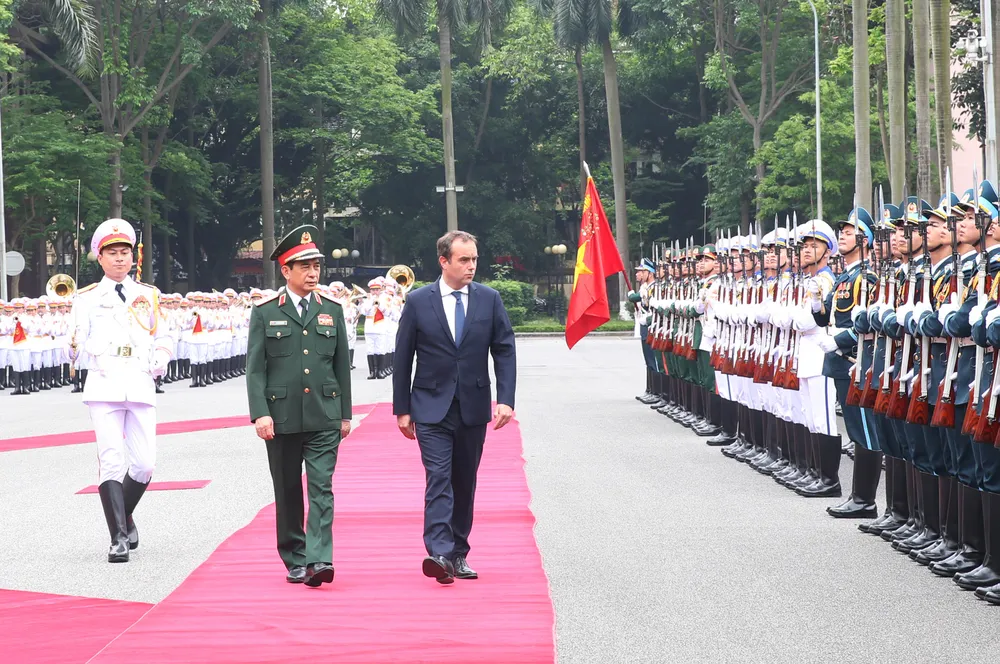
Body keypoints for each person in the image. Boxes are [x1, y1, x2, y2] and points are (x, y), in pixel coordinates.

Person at [392, 230, 517, 584]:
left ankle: (459, 553)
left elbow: (504, 349)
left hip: (474, 406)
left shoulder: (489, 299)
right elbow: (403, 357)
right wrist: (401, 407)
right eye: (464, 259)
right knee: (439, 479)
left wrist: (505, 399)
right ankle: (439, 552)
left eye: (474, 259)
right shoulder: (418, 301)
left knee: (465, 481)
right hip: (430, 406)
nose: (471, 266)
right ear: (444, 261)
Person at [246, 224, 353, 588]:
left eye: (316, 266)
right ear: (286, 270)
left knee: (321, 487)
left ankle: (320, 558)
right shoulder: (264, 313)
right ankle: (295, 557)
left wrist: (346, 414)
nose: (312, 273)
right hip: (281, 416)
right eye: (304, 266)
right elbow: (255, 369)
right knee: (288, 490)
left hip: (324, 414)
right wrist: (260, 412)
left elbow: (341, 366)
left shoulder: (332, 310)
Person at [69, 218, 174, 563]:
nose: (119, 259)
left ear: (134, 257)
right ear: (99, 258)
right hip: (103, 382)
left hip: (140, 381)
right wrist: (74, 349)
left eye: (124, 252)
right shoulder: (86, 299)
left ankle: (124, 514)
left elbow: (164, 337)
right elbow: (73, 345)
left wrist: (160, 358)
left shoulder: (148, 295)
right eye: (111, 253)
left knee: (144, 464)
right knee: (111, 460)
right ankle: (117, 538)